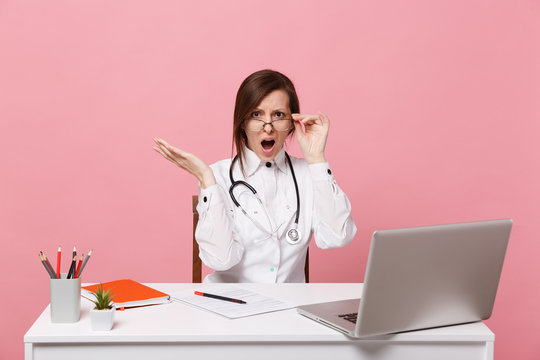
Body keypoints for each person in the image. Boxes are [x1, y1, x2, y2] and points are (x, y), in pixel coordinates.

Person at [153, 69, 356, 283]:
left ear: (292, 123)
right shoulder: (219, 176)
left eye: (278, 115)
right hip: (232, 306)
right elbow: (221, 260)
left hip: (288, 309)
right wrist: (207, 179)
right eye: (256, 115)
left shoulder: (308, 174)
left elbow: (338, 236)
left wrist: (317, 158)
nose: (267, 128)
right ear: (242, 122)